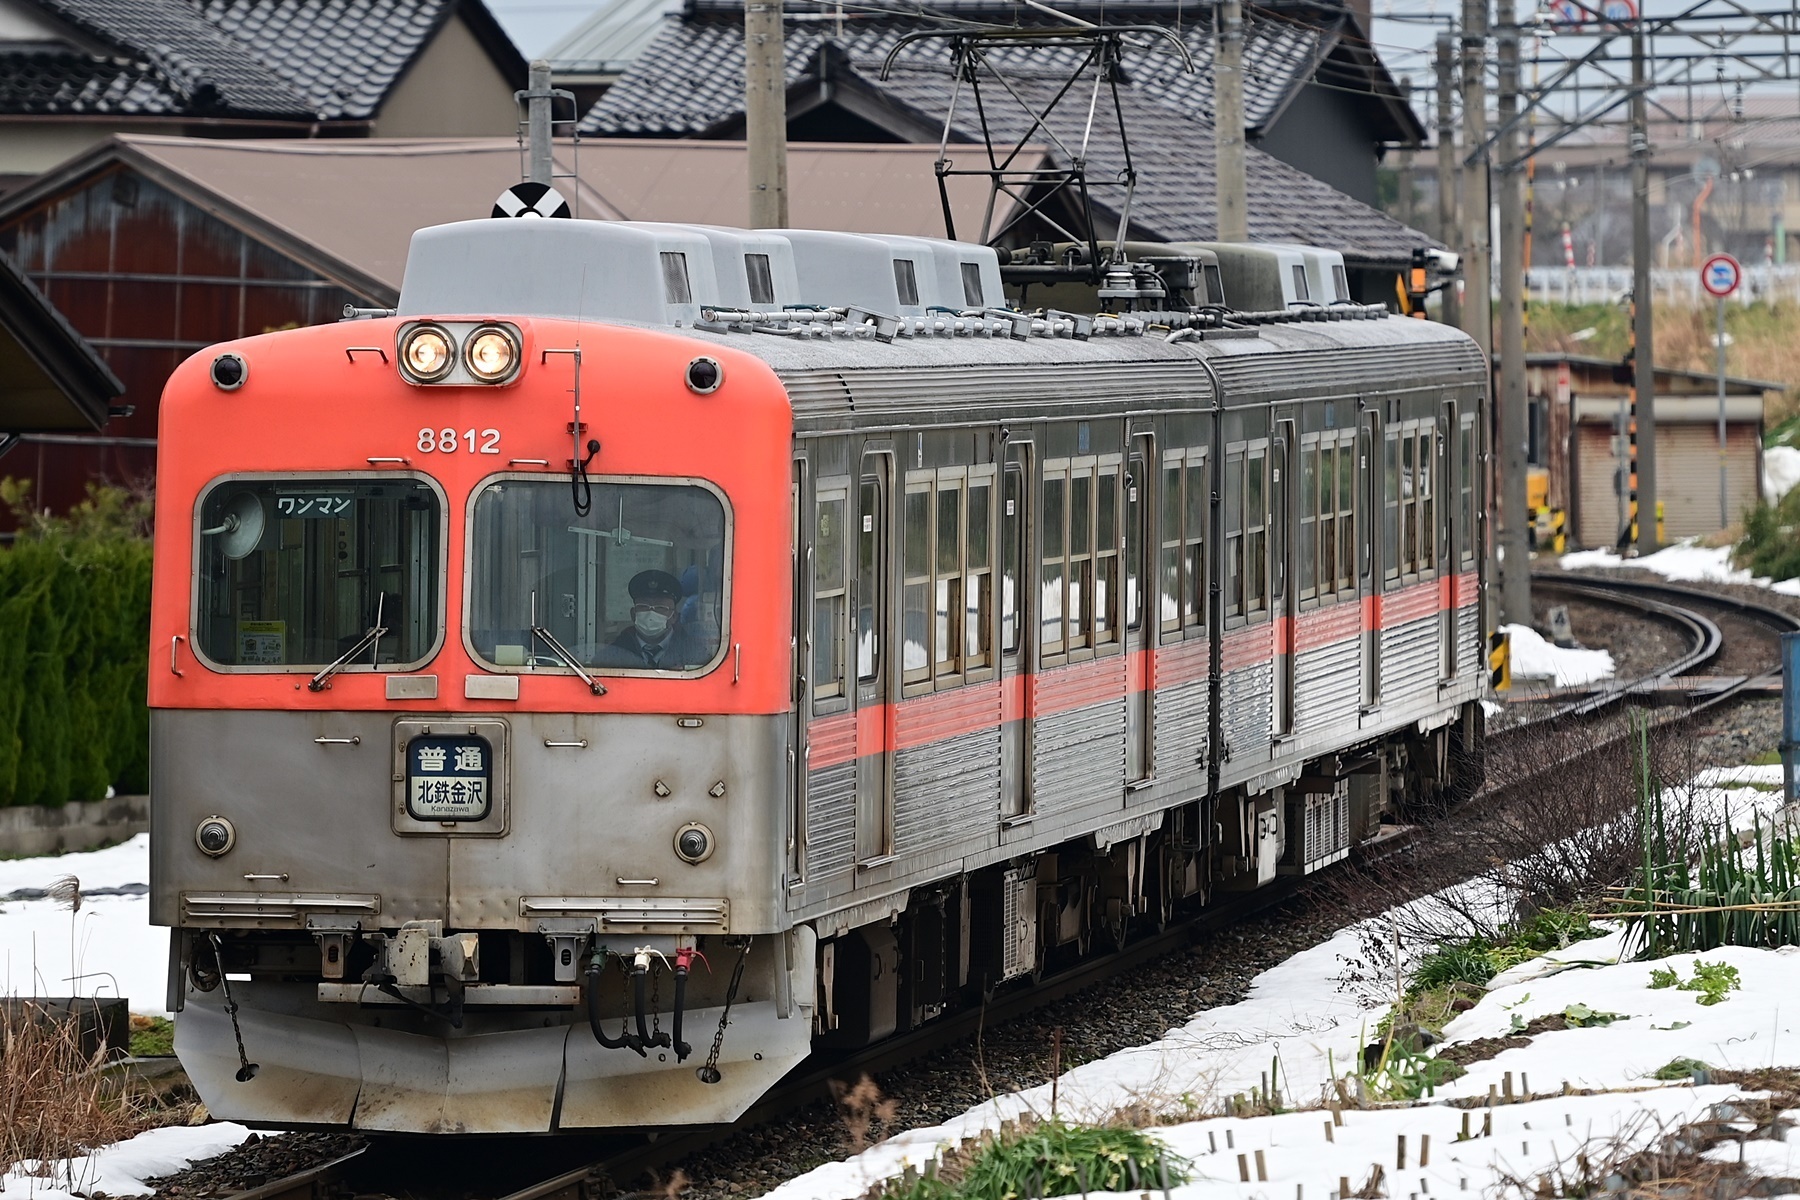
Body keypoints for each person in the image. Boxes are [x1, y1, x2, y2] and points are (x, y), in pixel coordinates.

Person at [597, 569, 713, 670]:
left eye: (660, 608)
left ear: (673, 616)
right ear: (633, 614)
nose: (651, 613)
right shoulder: (611, 655)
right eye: (643, 607)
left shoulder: (697, 655)